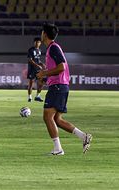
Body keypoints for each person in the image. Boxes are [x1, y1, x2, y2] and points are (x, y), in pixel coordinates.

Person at [37, 23, 92, 155]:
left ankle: (58, 149)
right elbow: (58, 69)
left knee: (47, 117)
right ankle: (83, 136)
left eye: (42, 32)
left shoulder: (53, 48)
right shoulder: (53, 48)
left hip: (58, 86)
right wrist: (46, 78)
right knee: (57, 119)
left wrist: (44, 73)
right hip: (60, 86)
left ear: (44, 34)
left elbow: (61, 67)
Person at [27, 37, 45, 102]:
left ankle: (38, 96)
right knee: (31, 83)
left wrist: (42, 64)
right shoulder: (31, 50)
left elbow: (38, 60)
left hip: (38, 70)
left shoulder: (39, 50)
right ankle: (29, 97)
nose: (37, 43)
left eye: (39, 42)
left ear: (40, 43)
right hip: (32, 69)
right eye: (36, 42)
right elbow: (30, 60)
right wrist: (38, 65)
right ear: (34, 42)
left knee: (41, 82)